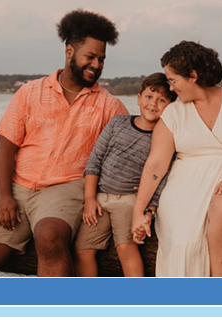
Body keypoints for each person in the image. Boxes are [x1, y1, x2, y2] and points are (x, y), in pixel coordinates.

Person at [0, 9, 128, 277]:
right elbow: (5, 146)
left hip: (66, 187)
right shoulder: (30, 92)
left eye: (102, 59)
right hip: (17, 185)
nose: (97, 64)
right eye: (91, 56)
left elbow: (131, 152)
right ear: (70, 51)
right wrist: (4, 195)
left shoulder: (110, 106)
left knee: (49, 236)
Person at [131, 41, 222, 277]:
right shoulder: (173, 113)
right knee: (184, 236)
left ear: (193, 76)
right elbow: (156, 165)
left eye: (173, 80)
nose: (171, 88)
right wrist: (139, 211)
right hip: (186, 185)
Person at [74, 73, 176, 277]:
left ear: (170, 107)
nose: (153, 104)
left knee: (125, 248)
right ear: (138, 98)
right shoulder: (117, 124)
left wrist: (150, 211)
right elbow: (95, 160)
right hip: (100, 198)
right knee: (82, 249)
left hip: (131, 201)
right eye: (149, 97)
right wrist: (89, 198)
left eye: (162, 100)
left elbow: (162, 179)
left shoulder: (164, 138)